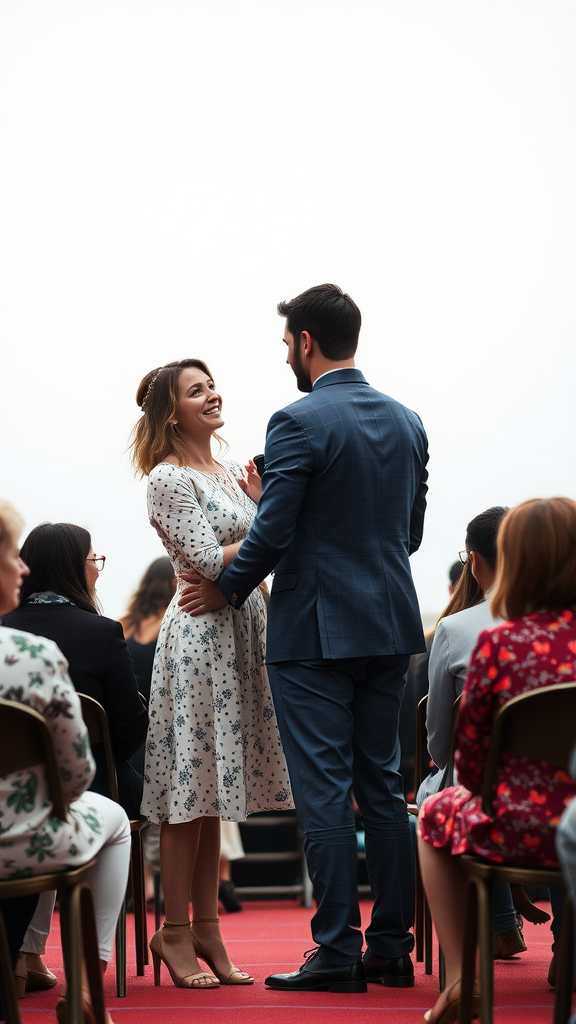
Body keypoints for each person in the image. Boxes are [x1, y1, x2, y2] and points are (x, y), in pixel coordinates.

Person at [181, 284, 429, 991]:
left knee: (323, 792)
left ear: (306, 343)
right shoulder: (408, 421)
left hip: (313, 630)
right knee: (382, 789)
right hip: (387, 622)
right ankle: (391, 949)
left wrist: (223, 589)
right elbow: (407, 535)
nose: (286, 353)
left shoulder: (296, 420)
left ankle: (336, 951)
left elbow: (275, 533)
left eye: (287, 342)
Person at [130, 358, 292, 990]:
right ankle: (173, 930)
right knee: (187, 793)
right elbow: (201, 560)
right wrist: (269, 531)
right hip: (200, 637)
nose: (213, 394)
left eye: (212, 384)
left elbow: (240, 551)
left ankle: (205, 930)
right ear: (173, 412)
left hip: (239, 630)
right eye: (197, 390)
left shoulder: (223, 471)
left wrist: (258, 509)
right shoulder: (168, 477)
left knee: (211, 797)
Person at [417, 497, 576, 1024]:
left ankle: (463, 978)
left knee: (437, 813)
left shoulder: (499, 644)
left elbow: (471, 756)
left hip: (516, 825)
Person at [0, 499, 131, 1024]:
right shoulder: (33, 655)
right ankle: (85, 981)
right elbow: (76, 776)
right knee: (106, 817)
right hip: (23, 835)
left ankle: (23, 961)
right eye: (11, 554)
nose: (22, 568)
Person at [3, 523, 148, 818]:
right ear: (75, 567)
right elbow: (130, 728)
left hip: (9, 791)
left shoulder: (4, 630)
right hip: (94, 791)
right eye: (95, 560)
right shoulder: (103, 633)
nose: (97, 569)